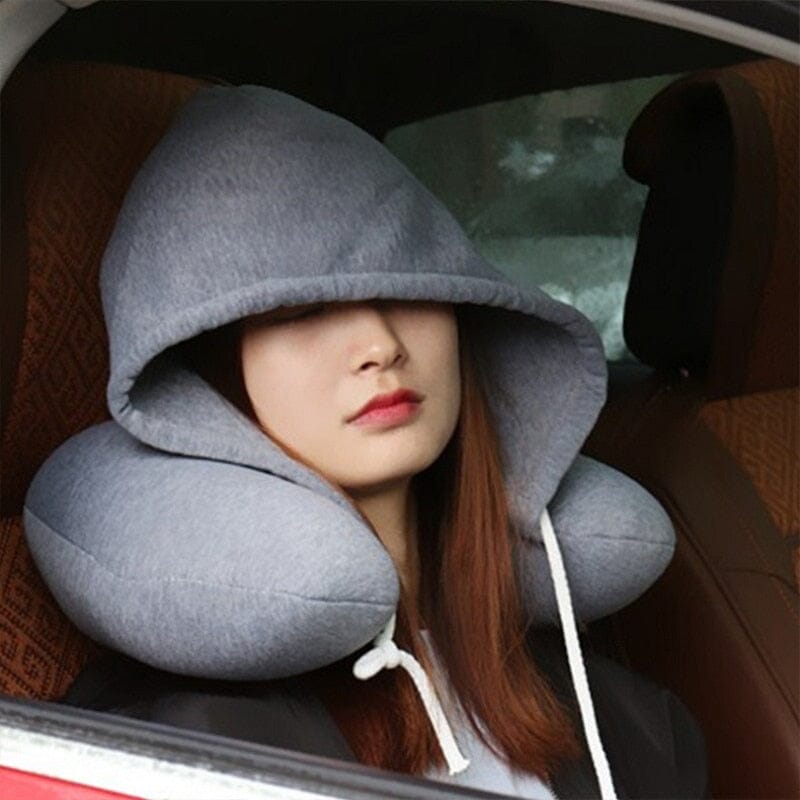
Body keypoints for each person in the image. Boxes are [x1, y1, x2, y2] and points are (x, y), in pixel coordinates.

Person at [33, 85, 706, 799]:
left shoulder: (628, 722)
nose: (379, 345)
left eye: (406, 286)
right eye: (301, 310)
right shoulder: (168, 755)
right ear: (210, 369)